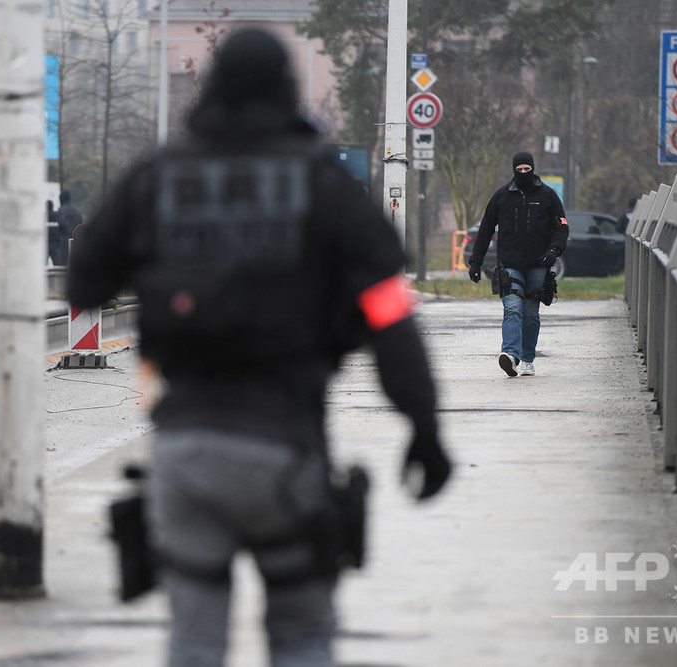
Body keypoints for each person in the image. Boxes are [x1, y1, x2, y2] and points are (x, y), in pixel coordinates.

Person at [67, 29, 450, 667]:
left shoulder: (159, 176)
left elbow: (85, 284)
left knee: (193, 643)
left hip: (185, 449)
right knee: (302, 635)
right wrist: (424, 426)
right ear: (286, 92)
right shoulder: (323, 184)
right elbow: (390, 311)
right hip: (285, 447)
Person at [467, 151, 569, 377]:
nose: (523, 173)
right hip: (509, 264)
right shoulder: (501, 197)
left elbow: (562, 228)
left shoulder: (548, 196)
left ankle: (527, 359)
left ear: (533, 168)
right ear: (513, 170)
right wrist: (475, 262)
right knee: (512, 308)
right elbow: (485, 230)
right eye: (519, 169)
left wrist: (554, 251)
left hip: (538, 265)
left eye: (527, 169)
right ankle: (510, 355)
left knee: (530, 314)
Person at [55, 189, 83, 263]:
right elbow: (80, 223)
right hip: (75, 239)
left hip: (64, 239)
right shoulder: (76, 210)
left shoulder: (61, 210)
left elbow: (61, 223)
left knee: (63, 262)